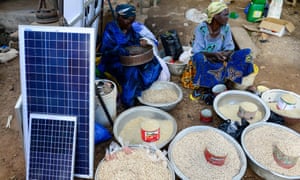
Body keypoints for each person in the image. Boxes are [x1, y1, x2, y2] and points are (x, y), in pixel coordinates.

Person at [97, 4, 168, 107]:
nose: (130, 24)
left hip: (129, 58)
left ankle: (139, 91)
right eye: (128, 21)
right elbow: (106, 50)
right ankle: (128, 102)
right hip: (114, 61)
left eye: (132, 21)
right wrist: (124, 51)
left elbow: (135, 37)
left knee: (153, 63)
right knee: (132, 71)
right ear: (119, 17)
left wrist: (141, 41)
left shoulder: (129, 27)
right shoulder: (111, 29)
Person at [186, 1, 254, 99]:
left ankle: (230, 78)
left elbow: (230, 47)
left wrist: (225, 54)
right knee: (200, 58)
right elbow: (197, 51)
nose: (228, 17)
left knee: (246, 54)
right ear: (215, 16)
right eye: (225, 14)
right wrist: (214, 54)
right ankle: (202, 87)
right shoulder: (202, 29)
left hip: (220, 58)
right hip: (206, 58)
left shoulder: (225, 28)